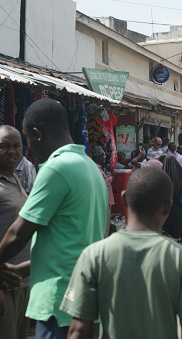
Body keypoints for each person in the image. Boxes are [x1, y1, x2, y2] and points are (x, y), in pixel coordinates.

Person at [61, 167, 182, 338]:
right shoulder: (181, 259)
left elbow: (79, 330)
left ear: (124, 199)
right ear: (168, 207)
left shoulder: (94, 255)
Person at [0, 99, 107, 337]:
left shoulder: (55, 168)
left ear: (37, 134)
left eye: (26, 138)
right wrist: (22, 270)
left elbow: (18, 234)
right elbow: (75, 241)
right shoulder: (89, 167)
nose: (26, 147)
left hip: (59, 302)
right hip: (86, 299)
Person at [0, 125, 31, 339]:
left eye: (16, 146)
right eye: (3, 146)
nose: (12, 151)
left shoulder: (15, 178)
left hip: (22, 282)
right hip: (4, 286)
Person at [91, 146, 115, 237]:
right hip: (103, 200)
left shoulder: (99, 168)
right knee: (104, 224)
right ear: (98, 157)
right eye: (102, 156)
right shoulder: (96, 168)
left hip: (106, 199)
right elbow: (101, 183)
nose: (103, 158)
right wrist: (111, 178)